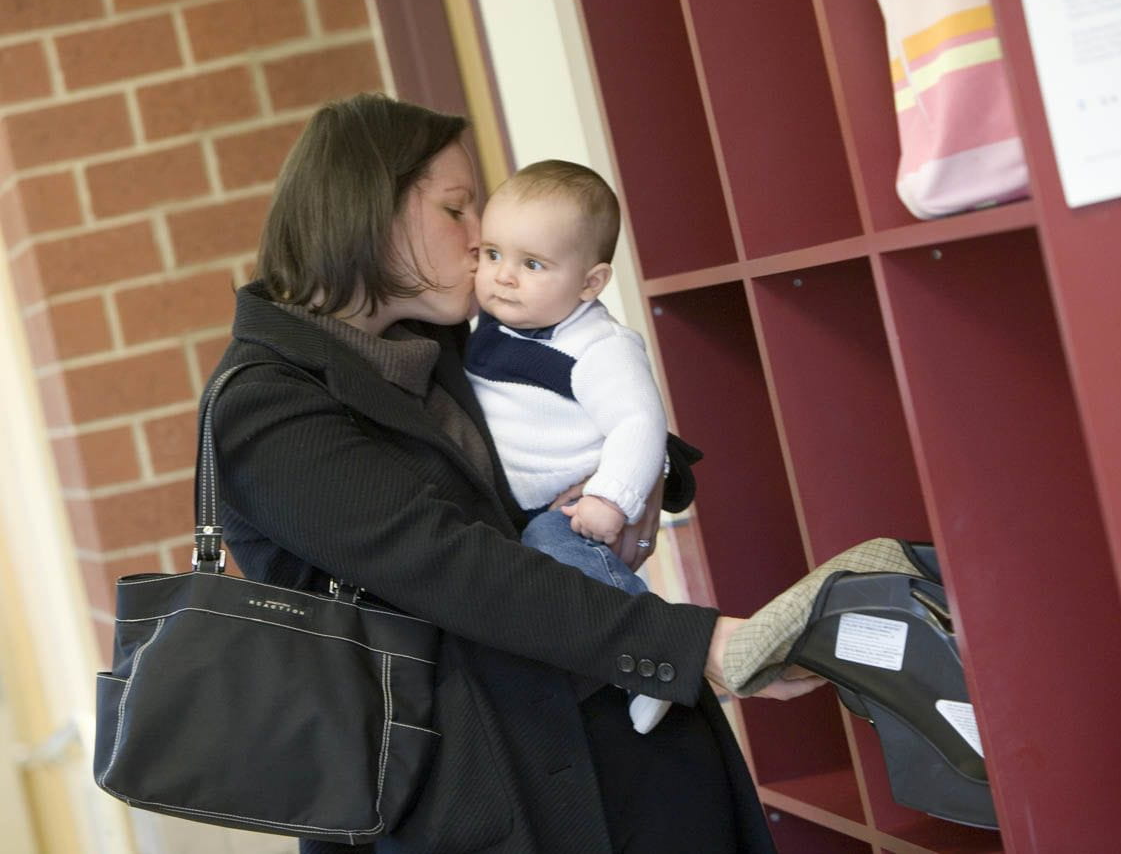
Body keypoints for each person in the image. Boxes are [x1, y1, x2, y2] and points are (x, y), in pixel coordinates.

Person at [207, 92, 822, 854]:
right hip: (472, 806)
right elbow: (450, 565)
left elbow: (596, 414)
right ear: (368, 212)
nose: (482, 241)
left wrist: (638, 478)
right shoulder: (266, 406)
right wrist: (691, 644)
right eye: (458, 210)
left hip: (628, 769)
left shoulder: (448, 339)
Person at [465, 160, 672, 734]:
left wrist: (612, 498)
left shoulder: (597, 348)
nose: (504, 277)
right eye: (492, 255)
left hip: (570, 505)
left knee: (562, 556)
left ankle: (653, 654)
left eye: (532, 264)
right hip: (512, 506)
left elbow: (639, 424)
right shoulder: (491, 322)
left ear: (590, 283)